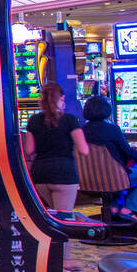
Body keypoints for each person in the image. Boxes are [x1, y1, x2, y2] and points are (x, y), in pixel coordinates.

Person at [24, 82, 89, 213]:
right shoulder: (70, 120)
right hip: (64, 173)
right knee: (63, 217)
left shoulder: (33, 120)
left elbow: (29, 150)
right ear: (62, 98)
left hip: (40, 174)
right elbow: (84, 150)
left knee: (53, 215)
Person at [82, 94, 137, 223]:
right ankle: (128, 209)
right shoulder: (112, 129)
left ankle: (113, 207)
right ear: (107, 110)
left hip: (86, 181)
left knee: (114, 173)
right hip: (112, 179)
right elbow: (128, 152)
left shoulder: (81, 130)